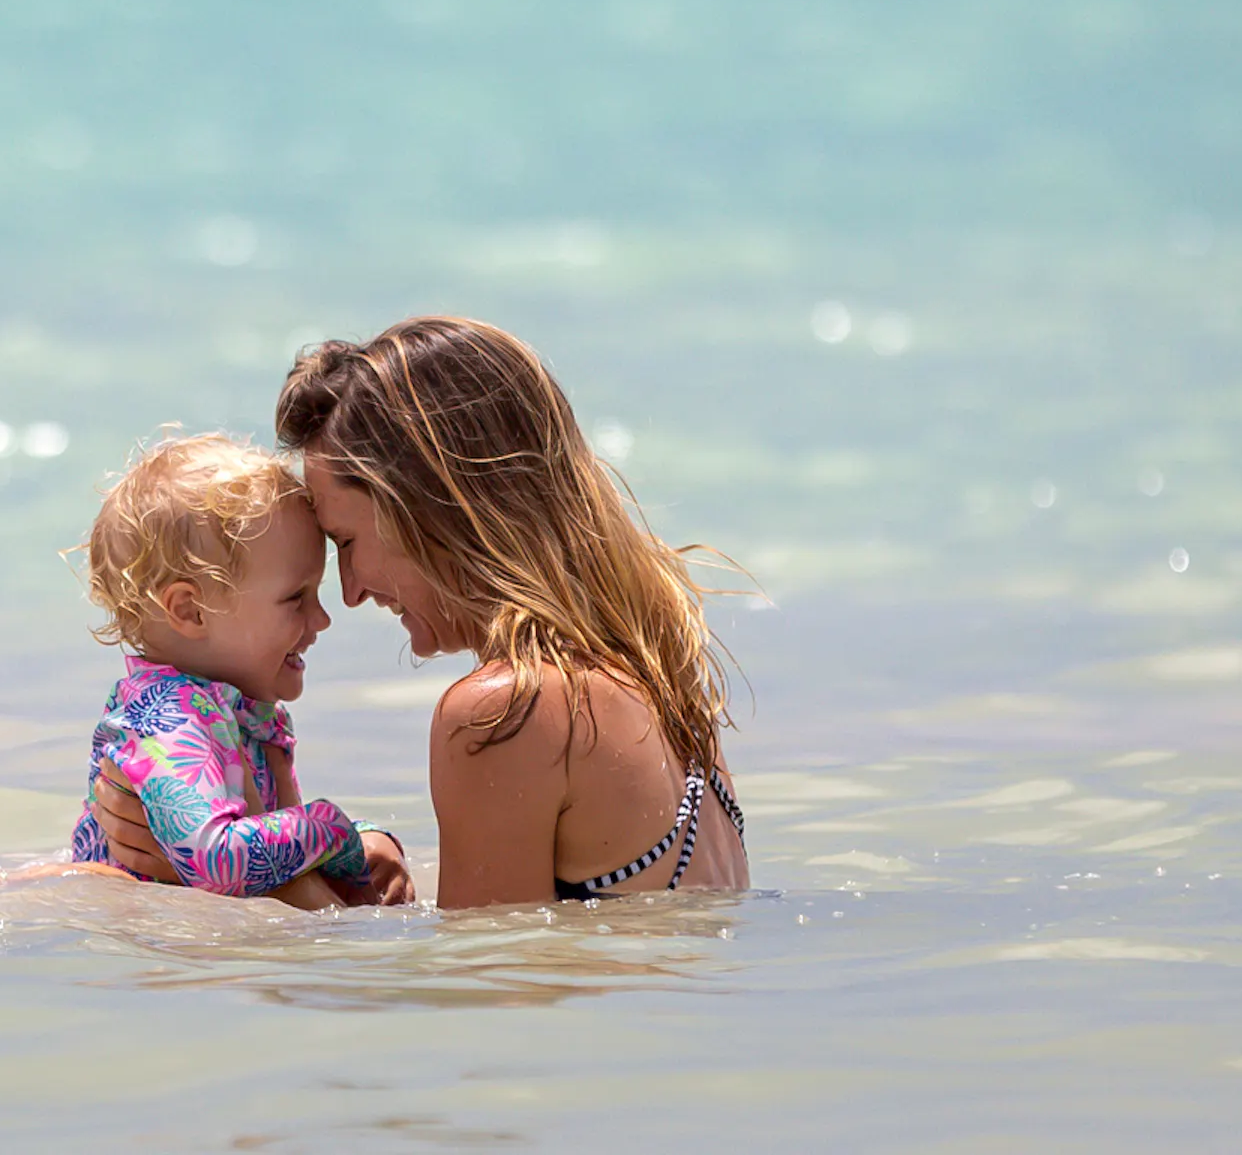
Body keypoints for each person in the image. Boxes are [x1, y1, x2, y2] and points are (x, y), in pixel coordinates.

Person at [92, 318, 745, 908]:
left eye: (346, 543)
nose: (348, 594)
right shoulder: (665, 683)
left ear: (431, 506)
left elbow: (470, 1011)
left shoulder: (508, 711)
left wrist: (250, 883)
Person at [66, 432, 414, 907]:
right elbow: (219, 860)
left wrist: (373, 839)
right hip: (171, 972)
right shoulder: (168, 720)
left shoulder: (235, 710)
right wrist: (335, 831)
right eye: (296, 597)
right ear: (191, 611)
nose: (323, 619)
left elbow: (266, 837)